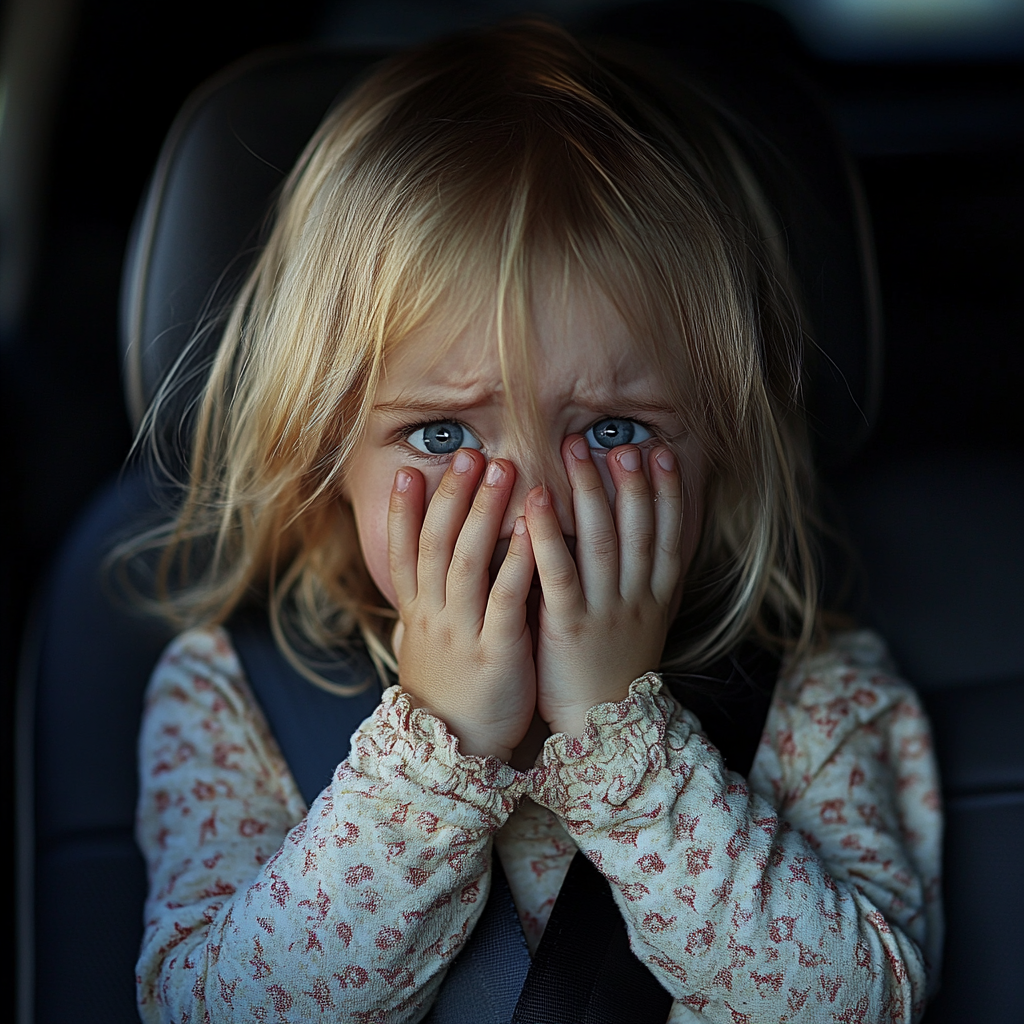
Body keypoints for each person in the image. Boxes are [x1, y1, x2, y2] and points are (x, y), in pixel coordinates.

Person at [131, 20, 942, 1023]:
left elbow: (853, 1006)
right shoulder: (238, 696)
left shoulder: (813, 696)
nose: (533, 509)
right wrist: (440, 752)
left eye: (609, 429)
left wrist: (622, 739)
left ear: (721, 452)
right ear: (324, 453)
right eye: (438, 435)